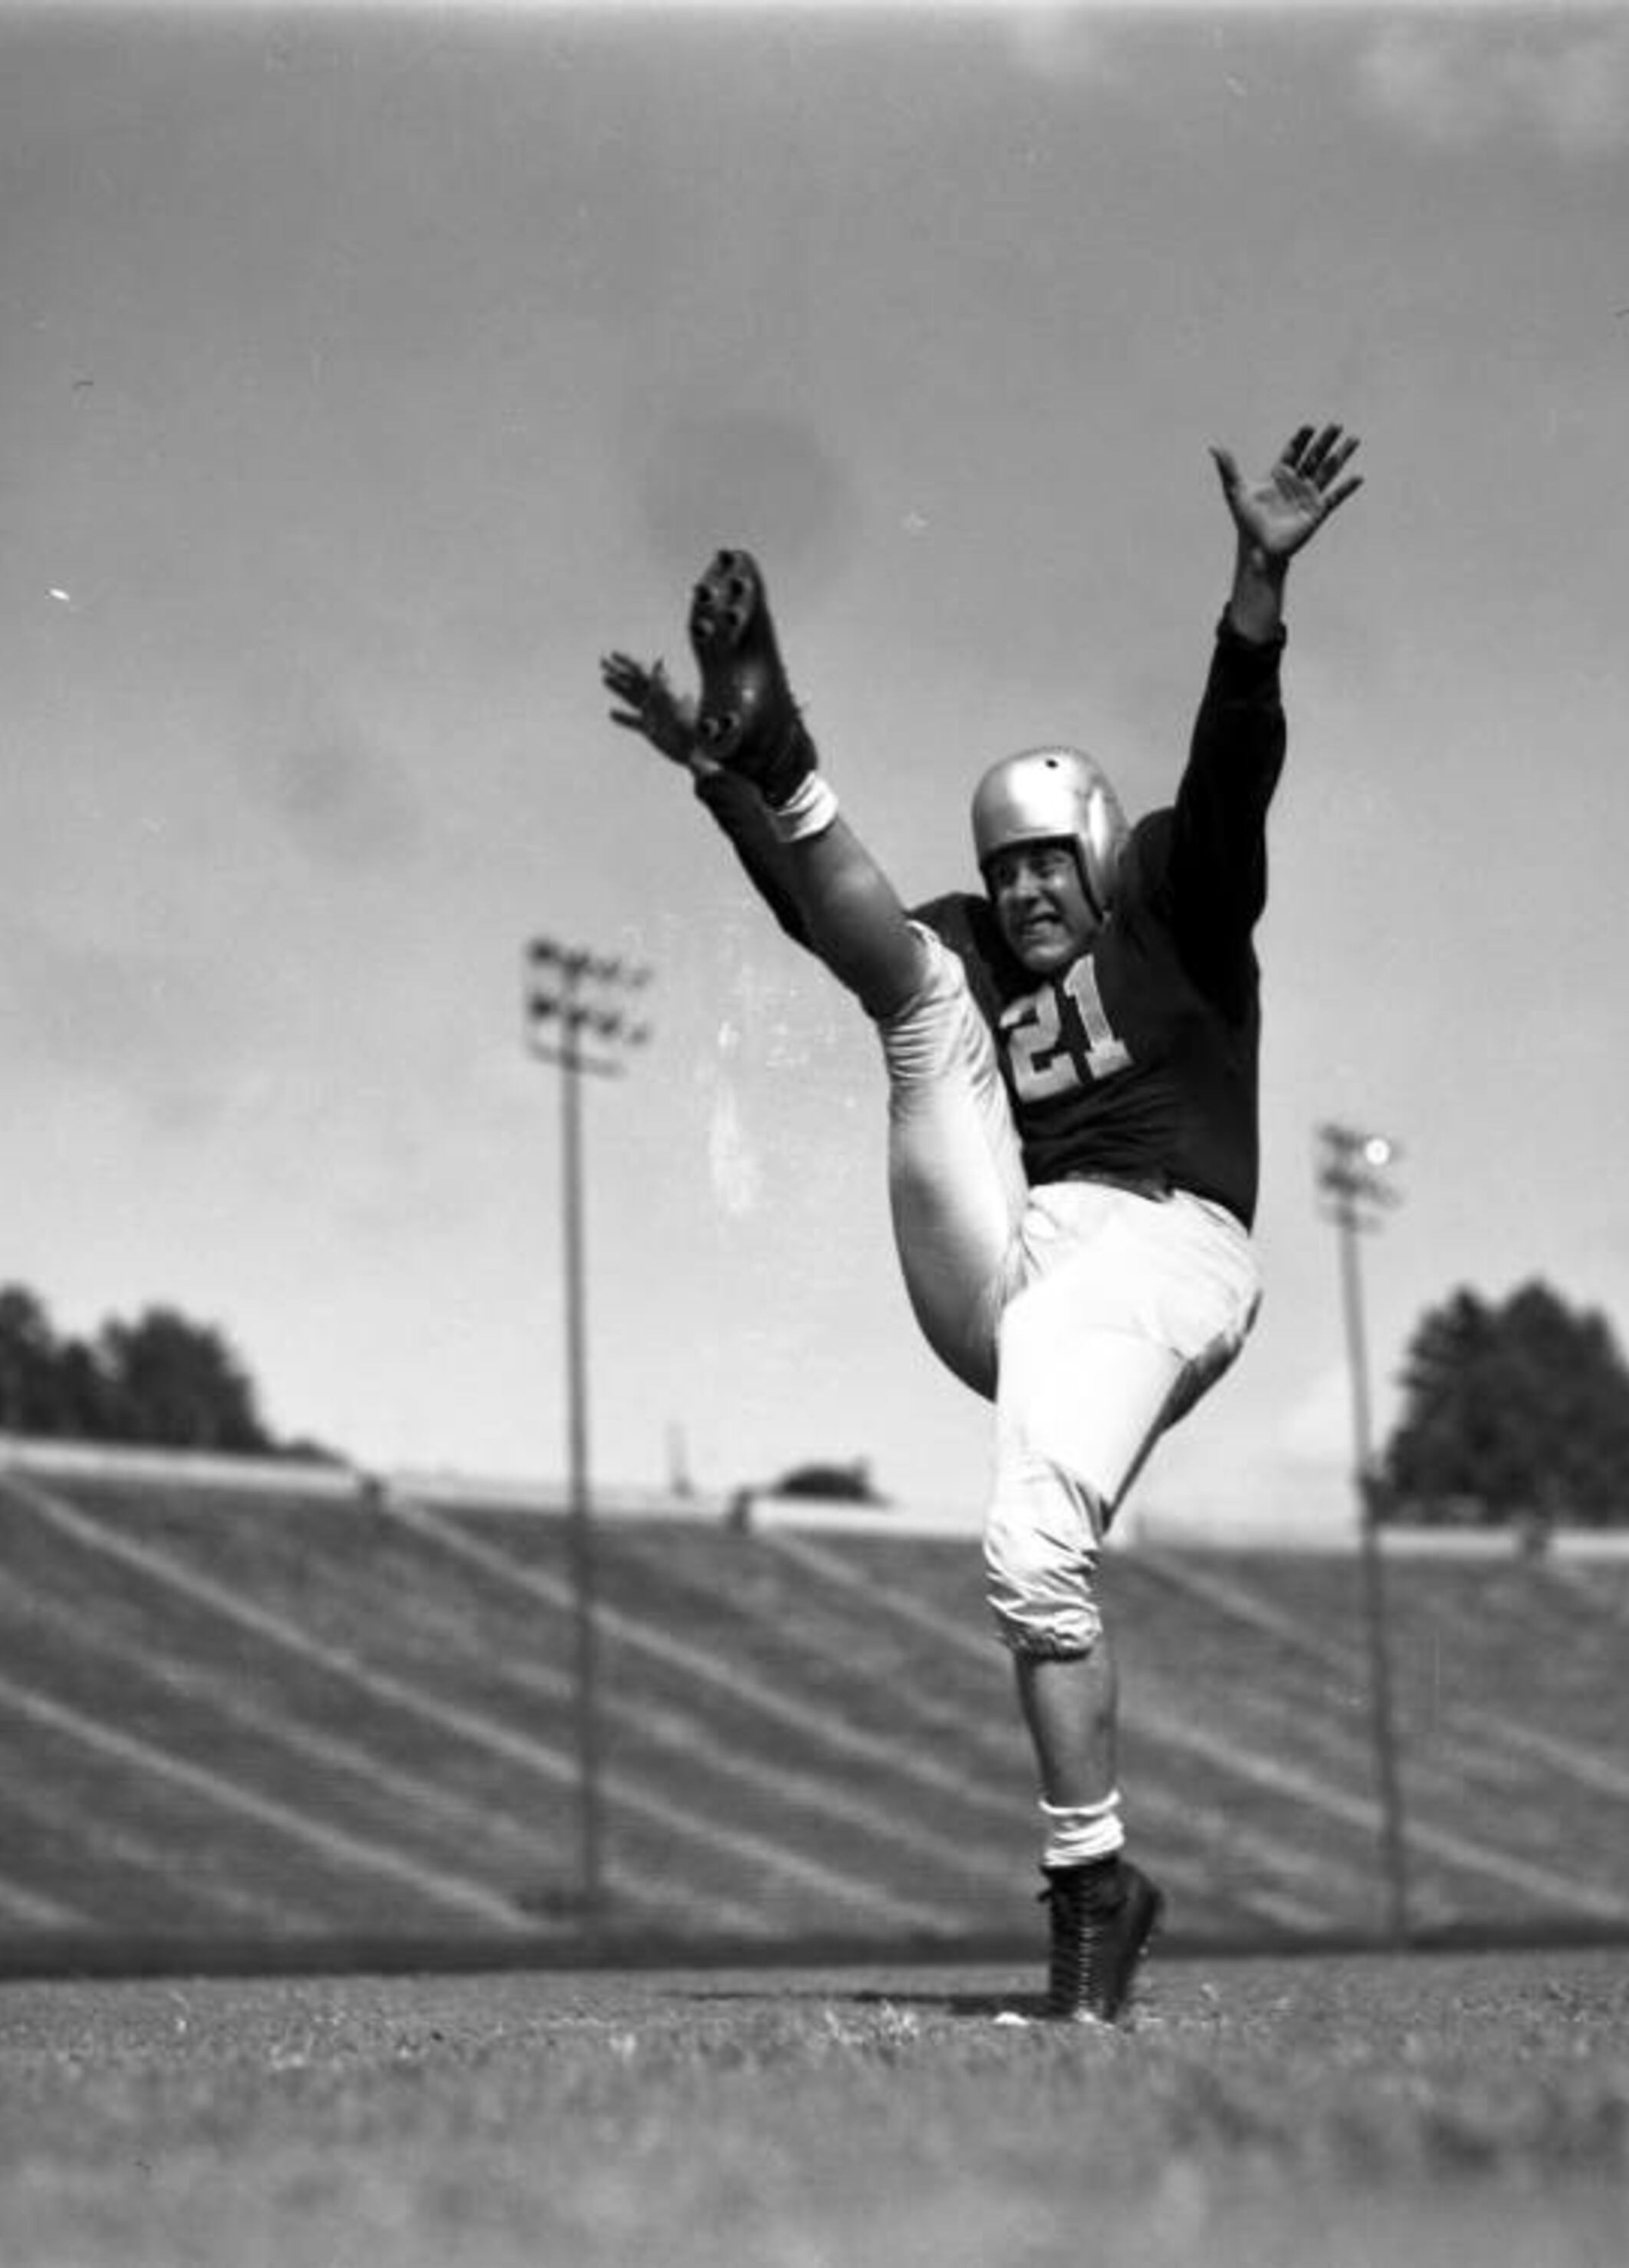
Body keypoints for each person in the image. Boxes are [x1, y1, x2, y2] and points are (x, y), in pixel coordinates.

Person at [598, 422, 1361, 2022]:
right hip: (1014, 1258)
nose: (1021, 892)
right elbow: (834, 921)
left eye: (1042, 866)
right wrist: (722, 779)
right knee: (911, 989)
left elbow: (1234, 778)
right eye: (1001, 868)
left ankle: (1096, 1887)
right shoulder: (976, 949)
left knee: (1030, 1553)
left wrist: (1255, 587)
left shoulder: (1172, 896)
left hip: (1163, 1244)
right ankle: (778, 747)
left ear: (1093, 858)